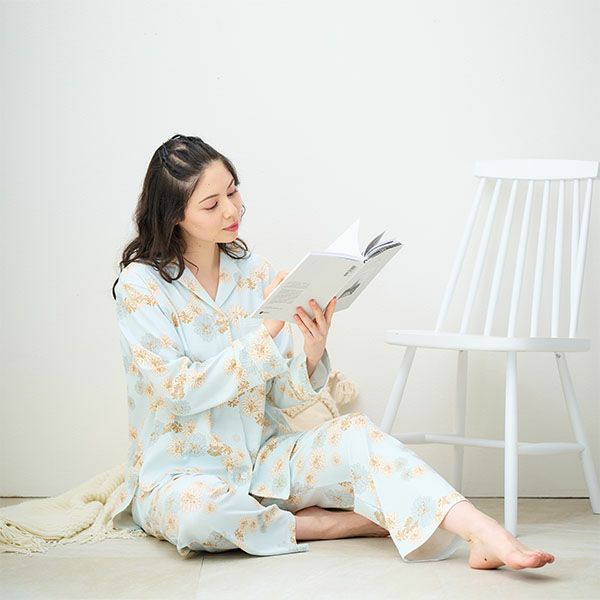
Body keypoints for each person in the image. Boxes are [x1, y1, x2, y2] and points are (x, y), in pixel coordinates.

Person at [109, 134, 555, 569]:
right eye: (211, 204)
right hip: (182, 475)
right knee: (199, 517)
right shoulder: (141, 287)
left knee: (358, 436)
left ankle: (482, 532)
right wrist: (267, 333)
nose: (232, 209)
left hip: (263, 462)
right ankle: (327, 525)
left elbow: (281, 397)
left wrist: (311, 350)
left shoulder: (254, 273)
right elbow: (181, 392)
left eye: (233, 191)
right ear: (174, 215)